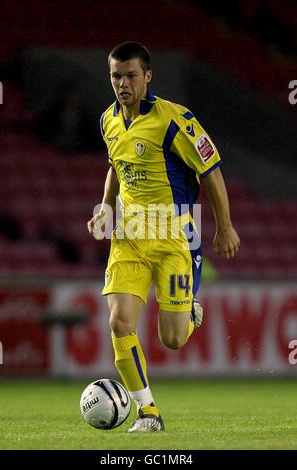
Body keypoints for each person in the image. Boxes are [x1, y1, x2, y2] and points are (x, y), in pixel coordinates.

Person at [87, 41, 240, 432]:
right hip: (130, 237)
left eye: (130, 75)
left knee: (172, 339)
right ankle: (148, 412)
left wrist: (225, 226)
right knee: (120, 323)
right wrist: (105, 209)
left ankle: (190, 310)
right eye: (116, 76)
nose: (122, 83)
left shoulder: (174, 119)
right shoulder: (108, 120)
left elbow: (211, 170)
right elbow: (115, 166)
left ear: (148, 76)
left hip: (174, 237)